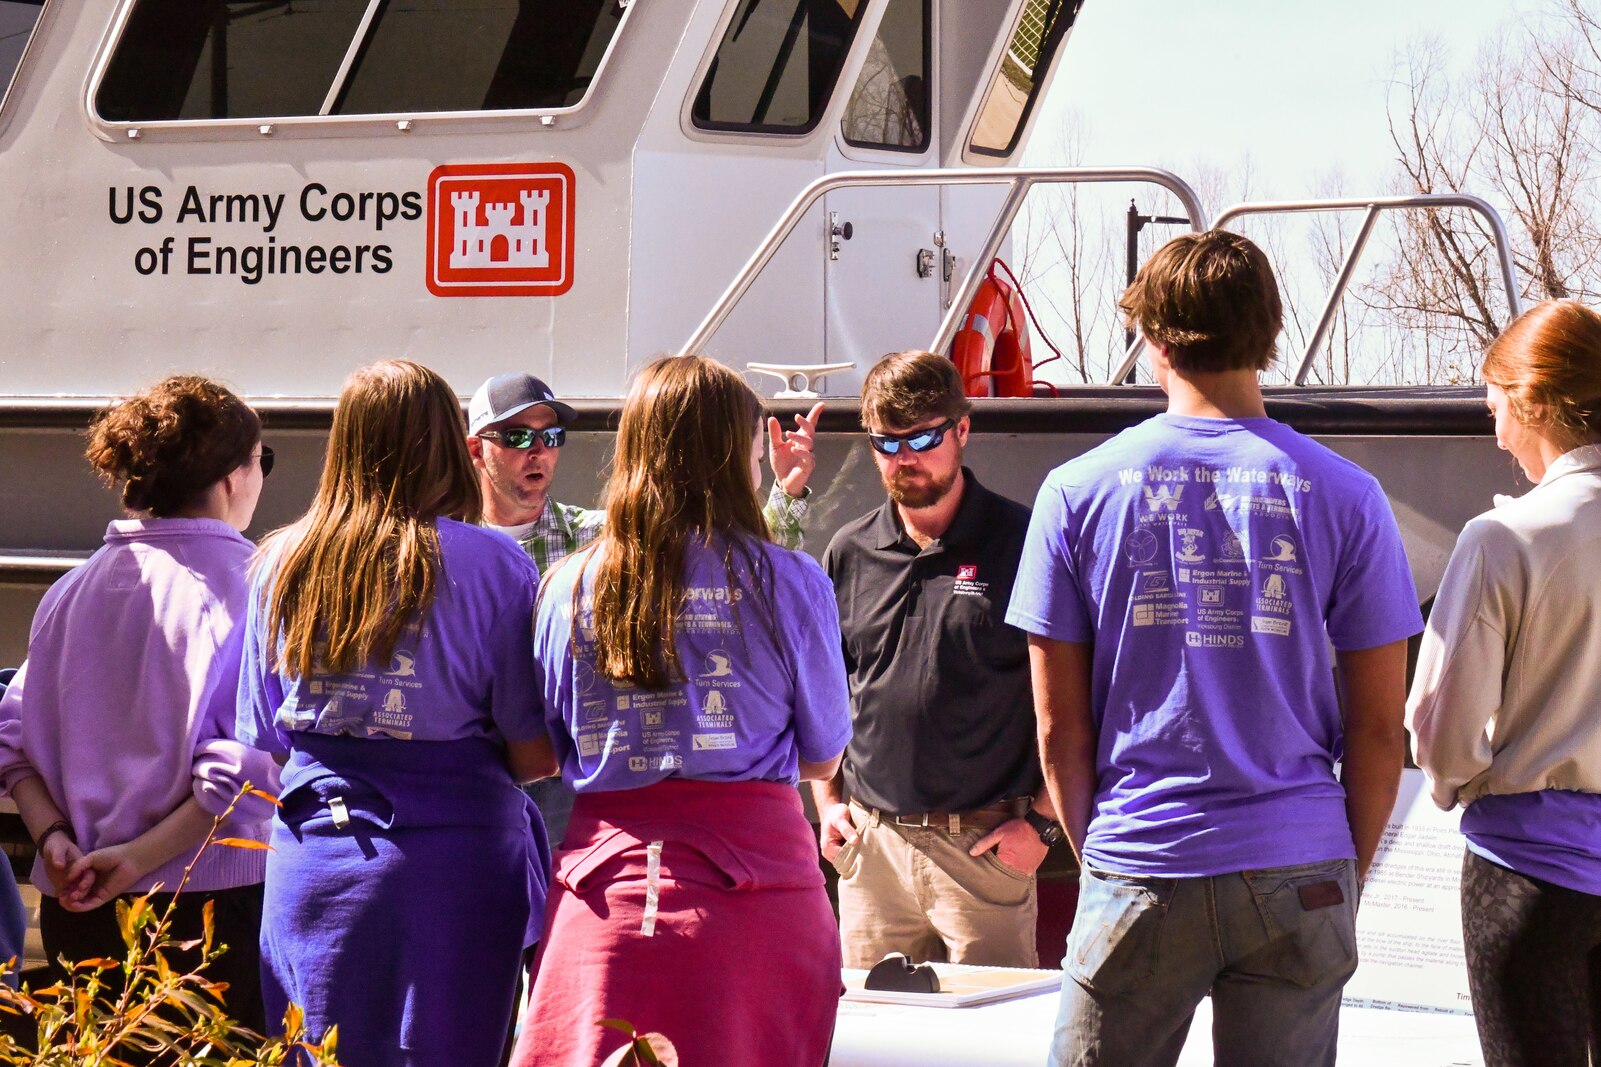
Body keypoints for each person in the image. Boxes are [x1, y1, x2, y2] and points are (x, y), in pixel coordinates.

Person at [1007, 230, 1422, 1067]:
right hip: (1297, 858)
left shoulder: (1077, 491)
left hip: (1142, 852)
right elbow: (1380, 731)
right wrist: (1338, 867)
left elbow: (1058, 728)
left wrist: (1110, 866)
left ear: (1154, 340)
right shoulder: (1348, 495)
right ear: (1269, 335)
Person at [509, 355, 850, 1067]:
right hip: (754, 899)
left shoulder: (564, 586)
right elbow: (822, 755)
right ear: (733, 458)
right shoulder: (788, 579)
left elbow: (541, 749)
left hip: (601, 894)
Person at [238, 359, 550, 1067]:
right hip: (455, 866)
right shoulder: (497, 564)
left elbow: (262, 731)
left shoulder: (277, 564)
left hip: (314, 856)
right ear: (447, 445)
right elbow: (536, 753)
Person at [0, 375, 279, 1029]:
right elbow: (239, 772)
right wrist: (136, 859)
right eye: (261, 460)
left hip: (78, 906)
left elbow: (10, 743)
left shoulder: (69, 592)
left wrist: (57, 838)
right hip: (210, 914)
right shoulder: (254, 590)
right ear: (234, 476)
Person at [464, 371, 823, 845]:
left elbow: (734, 574)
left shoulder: (600, 541)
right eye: (518, 437)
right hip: (484, 767)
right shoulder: (453, 548)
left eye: (551, 436)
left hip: (576, 773)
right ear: (476, 450)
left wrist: (785, 495)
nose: (539, 451)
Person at [814, 349, 1054, 969]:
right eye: (887, 443)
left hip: (984, 853)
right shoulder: (849, 551)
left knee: (990, 1048)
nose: (906, 458)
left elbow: (1082, 697)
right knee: (871, 1045)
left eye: (923, 437)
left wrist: (1045, 828)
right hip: (871, 852)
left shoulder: (1026, 544)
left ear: (963, 430)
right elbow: (821, 693)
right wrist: (827, 805)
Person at [1408, 300, 1601, 1067]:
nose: (1492, 435)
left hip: (1528, 870)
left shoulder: (1502, 537)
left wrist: (1458, 782)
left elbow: (1440, 721)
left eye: (1495, 408)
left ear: (1532, 401)